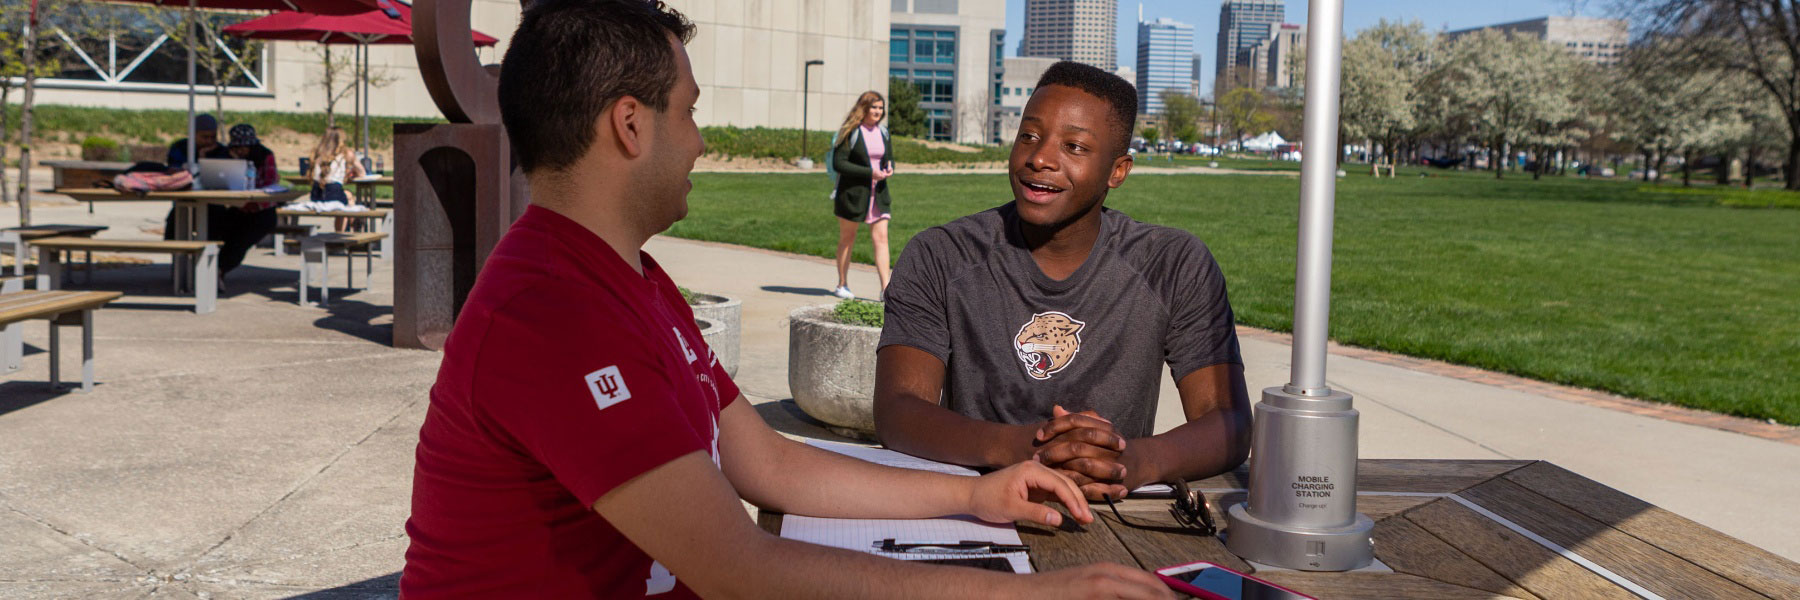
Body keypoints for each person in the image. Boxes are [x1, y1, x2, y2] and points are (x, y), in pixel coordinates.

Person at [400, 2, 1172, 599]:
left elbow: (767, 462)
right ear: (630, 126)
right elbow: (743, 571)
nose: (699, 140)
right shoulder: (552, 314)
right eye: (689, 111)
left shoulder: (628, 278)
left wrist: (976, 494)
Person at [872, 61, 1252, 502]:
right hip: (977, 507)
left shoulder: (1174, 264)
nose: (1041, 158)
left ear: (1118, 171)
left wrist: (1135, 462)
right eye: (1029, 136)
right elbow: (897, 411)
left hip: (1111, 513)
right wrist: (1023, 449)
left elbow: (1229, 421)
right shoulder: (941, 255)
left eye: (1074, 146)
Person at [828, 91, 895, 300]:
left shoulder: (883, 132)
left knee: (881, 239)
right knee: (848, 239)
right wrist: (869, 172)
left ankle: (886, 289)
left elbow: (888, 158)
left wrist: (889, 167)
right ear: (864, 108)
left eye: (881, 108)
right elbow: (839, 163)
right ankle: (842, 284)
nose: (878, 111)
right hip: (853, 195)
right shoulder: (851, 132)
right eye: (874, 107)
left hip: (878, 195)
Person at [200, 124, 282, 287]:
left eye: (245, 146)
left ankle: (220, 269)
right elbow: (220, 179)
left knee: (241, 240)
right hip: (238, 207)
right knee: (215, 228)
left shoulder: (265, 156)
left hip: (262, 210)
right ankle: (204, 269)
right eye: (238, 146)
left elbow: (269, 183)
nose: (241, 150)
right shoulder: (230, 156)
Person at [308, 127, 365, 231]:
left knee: (346, 197)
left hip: (316, 194)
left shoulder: (317, 152)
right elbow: (362, 172)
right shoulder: (346, 153)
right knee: (348, 200)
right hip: (334, 193)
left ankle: (344, 231)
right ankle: (343, 232)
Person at [165, 113, 231, 170]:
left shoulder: (221, 150)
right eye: (205, 137)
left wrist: (203, 158)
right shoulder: (179, 148)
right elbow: (174, 169)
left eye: (213, 137)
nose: (209, 141)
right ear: (193, 134)